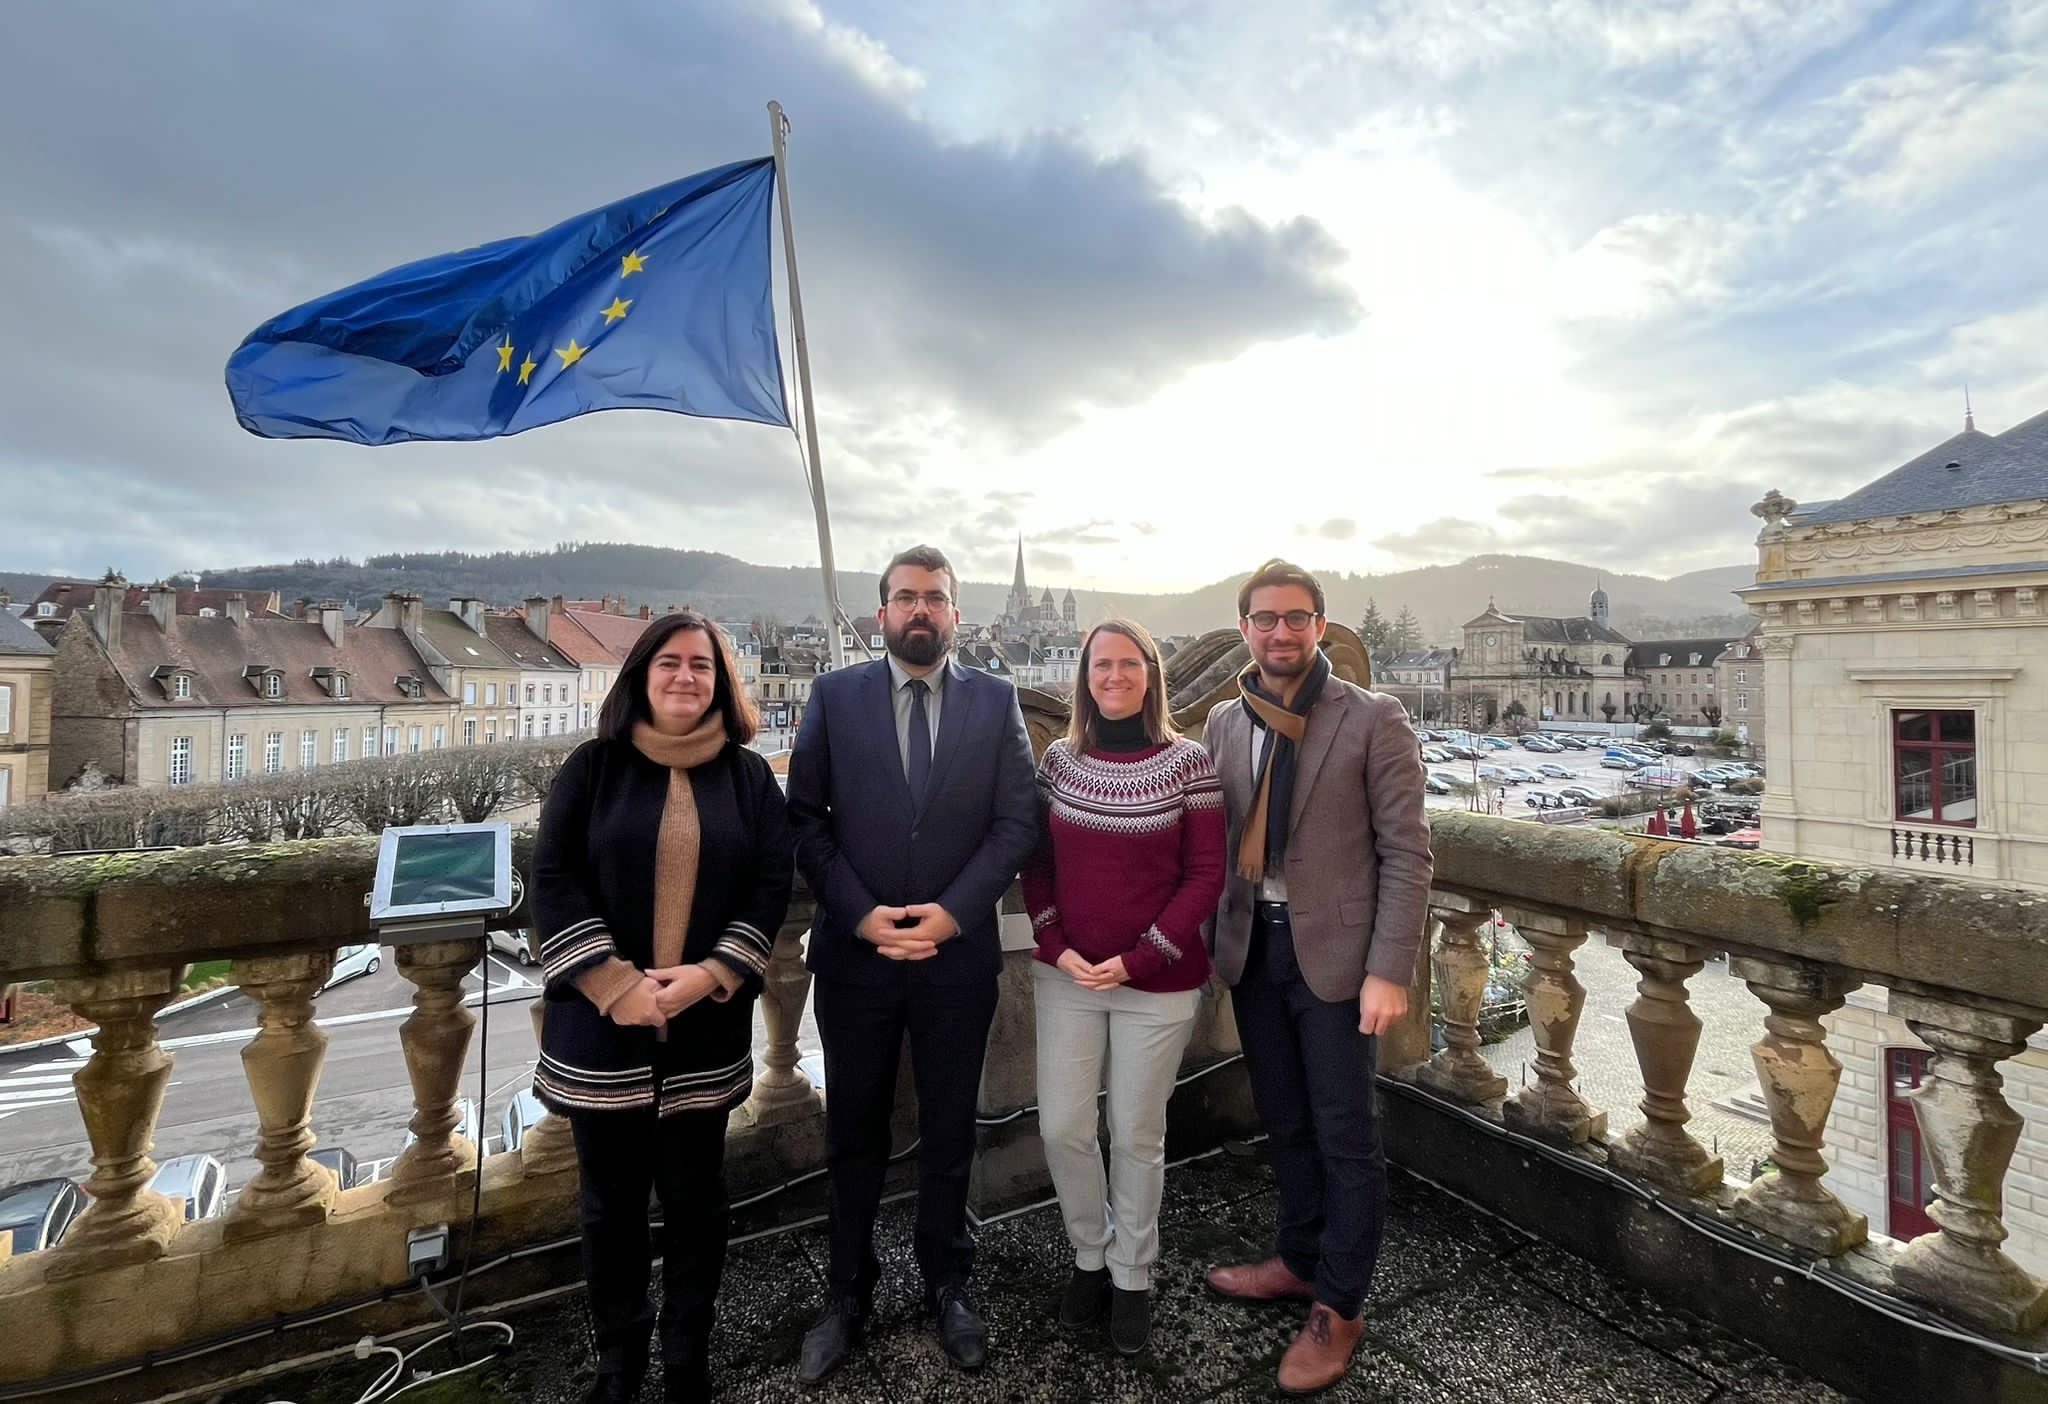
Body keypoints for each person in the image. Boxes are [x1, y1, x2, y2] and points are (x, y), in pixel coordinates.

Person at [787, 545, 1039, 1385]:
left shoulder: (995, 700)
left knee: (949, 1129)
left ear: (955, 614)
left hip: (955, 957)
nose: (920, 611)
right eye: (905, 598)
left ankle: (946, 1281)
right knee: (852, 1131)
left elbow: (1016, 824)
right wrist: (862, 915)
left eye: (935, 598)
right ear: (881, 613)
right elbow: (806, 822)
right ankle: (847, 1293)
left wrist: (952, 913)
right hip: (857, 960)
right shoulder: (833, 697)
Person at [531, 610, 794, 1404]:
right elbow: (553, 880)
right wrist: (617, 985)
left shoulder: (748, 779)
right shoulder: (593, 768)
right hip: (602, 1032)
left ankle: (686, 1353)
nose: (686, 677)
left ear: (723, 682)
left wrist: (712, 972)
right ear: (642, 676)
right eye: (671, 663)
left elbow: (770, 885)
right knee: (609, 1207)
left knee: (695, 1199)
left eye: (702, 666)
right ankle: (620, 1359)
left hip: (704, 1024)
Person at [1201, 560, 1432, 1395]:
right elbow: (1207, 839)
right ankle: (1299, 1259)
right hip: (1255, 949)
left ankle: (1340, 1304)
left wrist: (1388, 968)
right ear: (1245, 630)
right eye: (1265, 619)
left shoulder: (1373, 718)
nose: (1281, 633)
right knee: (1285, 1119)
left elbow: (1408, 852)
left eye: (1297, 618)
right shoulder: (1227, 724)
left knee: (1345, 1133)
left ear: (1321, 627)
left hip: (1337, 958)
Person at [1022, 619, 1225, 1356]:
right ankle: (1088, 1252)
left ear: (1150, 672)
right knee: (1065, 1127)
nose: (1113, 676)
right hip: (1069, 975)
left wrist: (1142, 958)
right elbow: (1036, 863)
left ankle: (1132, 1272)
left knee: (1137, 1132)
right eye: (1100, 665)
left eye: (1128, 663)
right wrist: (1055, 942)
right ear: (1084, 677)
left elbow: (1206, 875)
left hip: (1159, 981)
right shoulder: (1059, 763)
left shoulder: (1189, 765)